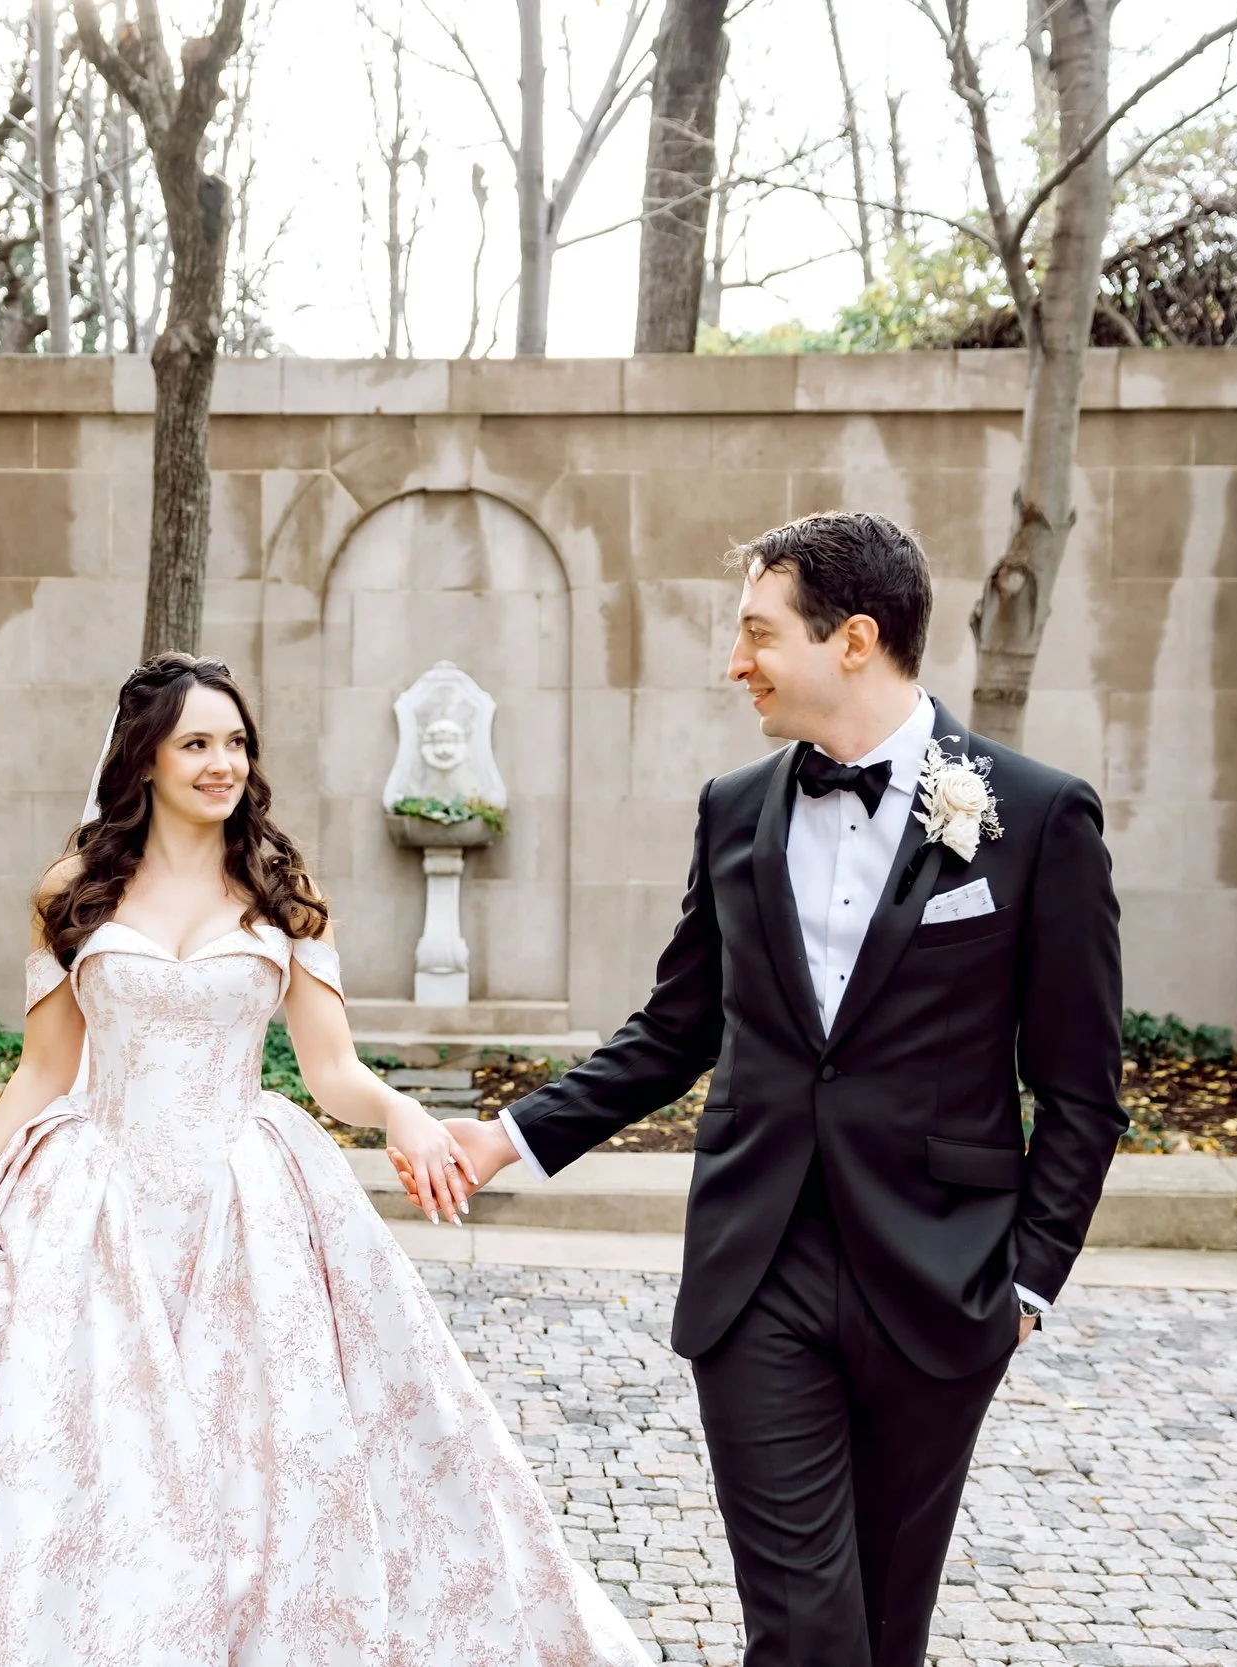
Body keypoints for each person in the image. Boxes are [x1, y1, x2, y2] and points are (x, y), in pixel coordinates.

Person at [0, 653, 649, 1667]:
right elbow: (44, 1066)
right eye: (197, 742)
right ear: (144, 760)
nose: (224, 762)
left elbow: (329, 1067)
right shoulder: (71, 890)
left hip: (242, 1197)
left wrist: (399, 1111)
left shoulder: (280, 886)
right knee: (99, 1449)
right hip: (99, 1203)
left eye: (236, 741)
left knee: (258, 1447)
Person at [420, 511, 1127, 1667]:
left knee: (888, 1629)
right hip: (761, 1275)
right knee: (805, 1627)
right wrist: (507, 1136)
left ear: (853, 639)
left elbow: (1080, 1087)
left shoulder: (1037, 815)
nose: (734, 660)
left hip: (943, 1281)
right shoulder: (733, 807)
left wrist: (1027, 1285)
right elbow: (677, 1025)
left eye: (757, 632)